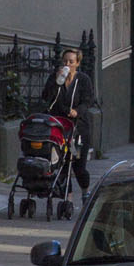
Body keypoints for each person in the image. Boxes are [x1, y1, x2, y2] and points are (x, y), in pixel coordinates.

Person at [38, 48, 96, 192]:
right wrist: (56, 82)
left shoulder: (83, 80)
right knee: (63, 166)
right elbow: (46, 97)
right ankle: (67, 198)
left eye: (71, 62)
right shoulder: (55, 78)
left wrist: (77, 111)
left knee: (78, 166)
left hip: (78, 129)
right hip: (60, 126)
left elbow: (88, 101)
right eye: (65, 61)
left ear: (77, 63)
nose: (67, 64)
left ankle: (85, 191)